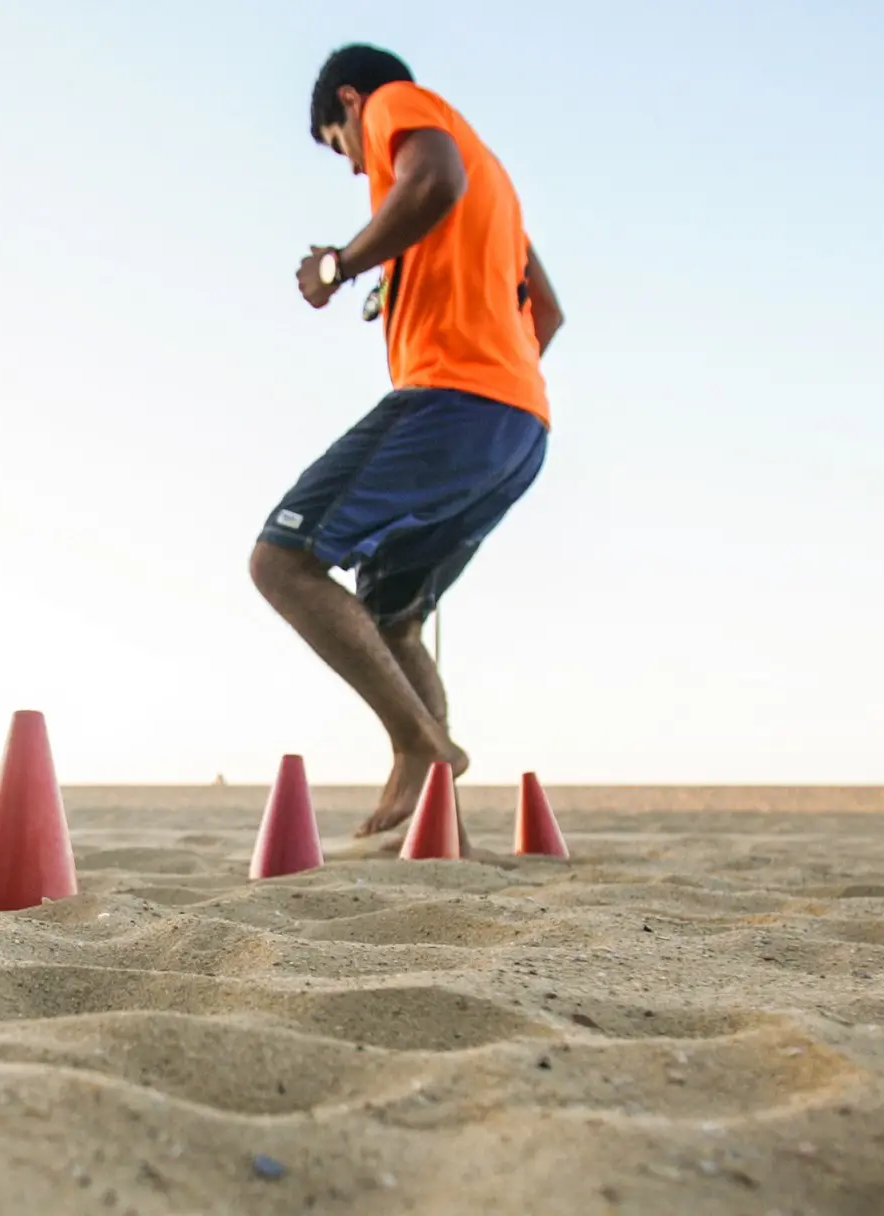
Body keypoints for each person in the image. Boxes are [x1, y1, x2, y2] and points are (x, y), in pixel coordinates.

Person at [249, 44, 565, 848]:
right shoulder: (499, 187)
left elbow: (431, 182)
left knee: (281, 559)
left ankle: (420, 748)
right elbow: (549, 315)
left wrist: (340, 264)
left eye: (338, 143)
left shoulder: (396, 105)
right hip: (519, 425)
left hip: (453, 401)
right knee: (394, 617)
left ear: (349, 104)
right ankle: (434, 823)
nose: (357, 169)